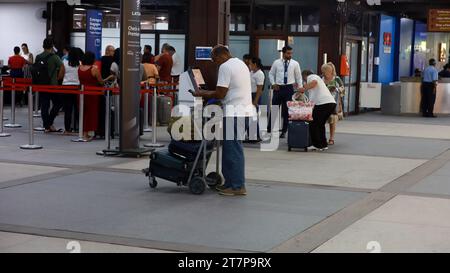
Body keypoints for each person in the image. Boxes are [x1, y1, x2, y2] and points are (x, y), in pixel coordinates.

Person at [193, 45, 253, 196]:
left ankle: (238, 186)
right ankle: (230, 183)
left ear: (221, 56)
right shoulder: (240, 64)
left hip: (234, 112)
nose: (215, 63)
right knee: (230, 149)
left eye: (214, 60)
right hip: (244, 110)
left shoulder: (225, 67)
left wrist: (202, 93)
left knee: (233, 150)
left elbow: (220, 93)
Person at [268, 45, 302, 138]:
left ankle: (284, 130)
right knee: (274, 108)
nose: (290, 55)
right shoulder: (276, 62)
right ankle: (270, 129)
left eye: (291, 53)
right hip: (278, 88)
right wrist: (273, 83)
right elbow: (271, 74)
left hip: (288, 88)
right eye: (288, 53)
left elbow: (298, 77)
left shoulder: (295, 63)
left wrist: (301, 88)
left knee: (287, 111)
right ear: (283, 53)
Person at [299, 70, 336, 151]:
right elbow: (314, 95)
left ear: (305, 76)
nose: (304, 81)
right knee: (320, 124)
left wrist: (303, 88)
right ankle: (323, 144)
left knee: (313, 124)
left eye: (303, 79)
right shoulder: (318, 79)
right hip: (330, 103)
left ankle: (317, 145)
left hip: (323, 104)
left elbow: (314, 83)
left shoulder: (311, 77)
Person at [34, 38, 64, 133]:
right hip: (52, 85)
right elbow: (62, 68)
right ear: (52, 46)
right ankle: (49, 123)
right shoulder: (54, 57)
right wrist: (58, 78)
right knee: (58, 103)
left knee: (44, 105)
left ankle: (47, 125)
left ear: (43, 46)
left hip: (41, 84)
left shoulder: (38, 57)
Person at [78, 51, 104, 141]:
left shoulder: (80, 68)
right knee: (91, 113)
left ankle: (82, 133)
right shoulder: (94, 69)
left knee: (83, 112)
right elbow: (100, 81)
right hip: (92, 93)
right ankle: (87, 134)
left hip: (81, 92)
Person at [58, 47, 80, 135]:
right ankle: (79, 128)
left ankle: (67, 129)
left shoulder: (64, 63)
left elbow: (60, 75)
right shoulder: (80, 64)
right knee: (78, 109)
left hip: (66, 87)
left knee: (68, 110)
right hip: (77, 88)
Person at [322, 63, 344, 145]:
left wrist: (336, 89)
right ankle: (322, 137)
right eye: (323, 71)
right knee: (322, 121)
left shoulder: (336, 79)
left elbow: (343, 89)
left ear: (331, 71)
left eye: (326, 71)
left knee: (332, 120)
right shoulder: (321, 79)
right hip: (323, 102)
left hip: (333, 102)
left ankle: (331, 138)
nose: (324, 73)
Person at [247, 57, 265, 141]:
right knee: (249, 116)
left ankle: (255, 136)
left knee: (253, 116)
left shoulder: (260, 74)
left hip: (255, 95)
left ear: (255, 64)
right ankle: (252, 135)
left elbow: (259, 89)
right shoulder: (251, 72)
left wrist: (255, 101)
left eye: (250, 64)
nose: (249, 65)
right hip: (249, 95)